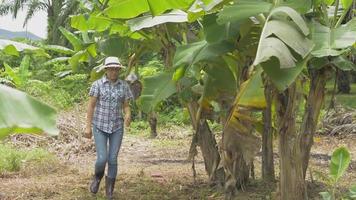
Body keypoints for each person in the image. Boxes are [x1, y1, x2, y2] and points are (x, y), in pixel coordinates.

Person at [84, 56, 133, 199]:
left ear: (119, 70)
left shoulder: (123, 86)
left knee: (112, 159)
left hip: (117, 127)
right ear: (106, 70)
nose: (113, 72)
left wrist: (128, 115)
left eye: (116, 69)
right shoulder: (97, 85)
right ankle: (97, 177)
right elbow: (91, 106)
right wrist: (88, 127)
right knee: (102, 158)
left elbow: (126, 105)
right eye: (111, 69)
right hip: (99, 126)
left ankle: (109, 191)